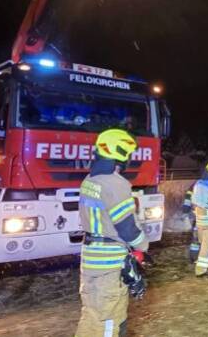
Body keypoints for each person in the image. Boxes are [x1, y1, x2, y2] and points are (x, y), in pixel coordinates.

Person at [76, 129, 148, 337]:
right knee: (108, 322)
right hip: (110, 265)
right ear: (121, 153)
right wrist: (144, 246)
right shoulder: (116, 184)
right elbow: (128, 229)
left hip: (91, 261)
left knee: (91, 316)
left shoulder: (90, 181)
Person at [181, 182, 200, 263]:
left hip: (199, 218)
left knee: (195, 239)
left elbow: (187, 203)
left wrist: (185, 212)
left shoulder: (193, 187)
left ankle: (194, 258)